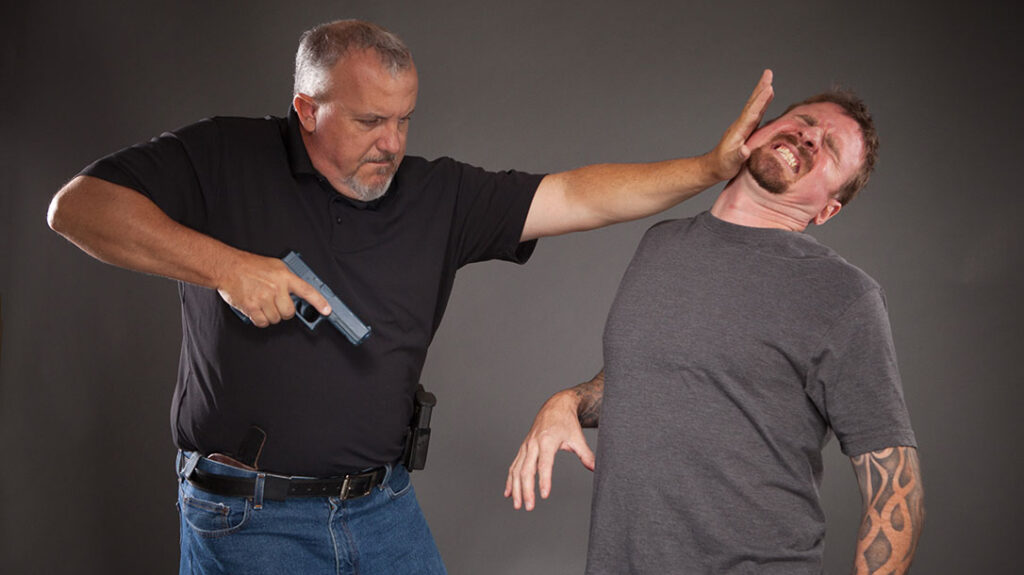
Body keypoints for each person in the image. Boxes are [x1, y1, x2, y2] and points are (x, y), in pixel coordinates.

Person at [46, 19, 774, 575]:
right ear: (306, 108)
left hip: (381, 507)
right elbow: (77, 207)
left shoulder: (439, 194)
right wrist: (225, 265)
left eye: (404, 119)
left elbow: (577, 195)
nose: (392, 143)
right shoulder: (223, 155)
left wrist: (710, 166)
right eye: (369, 121)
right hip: (248, 518)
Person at [506, 90, 925, 574]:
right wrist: (568, 402)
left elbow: (896, 486)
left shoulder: (844, 295)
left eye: (829, 149)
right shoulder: (662, 244)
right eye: (804, 121)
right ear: (758, 130)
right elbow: (654, 376)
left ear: (826, 211)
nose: (810, 136)